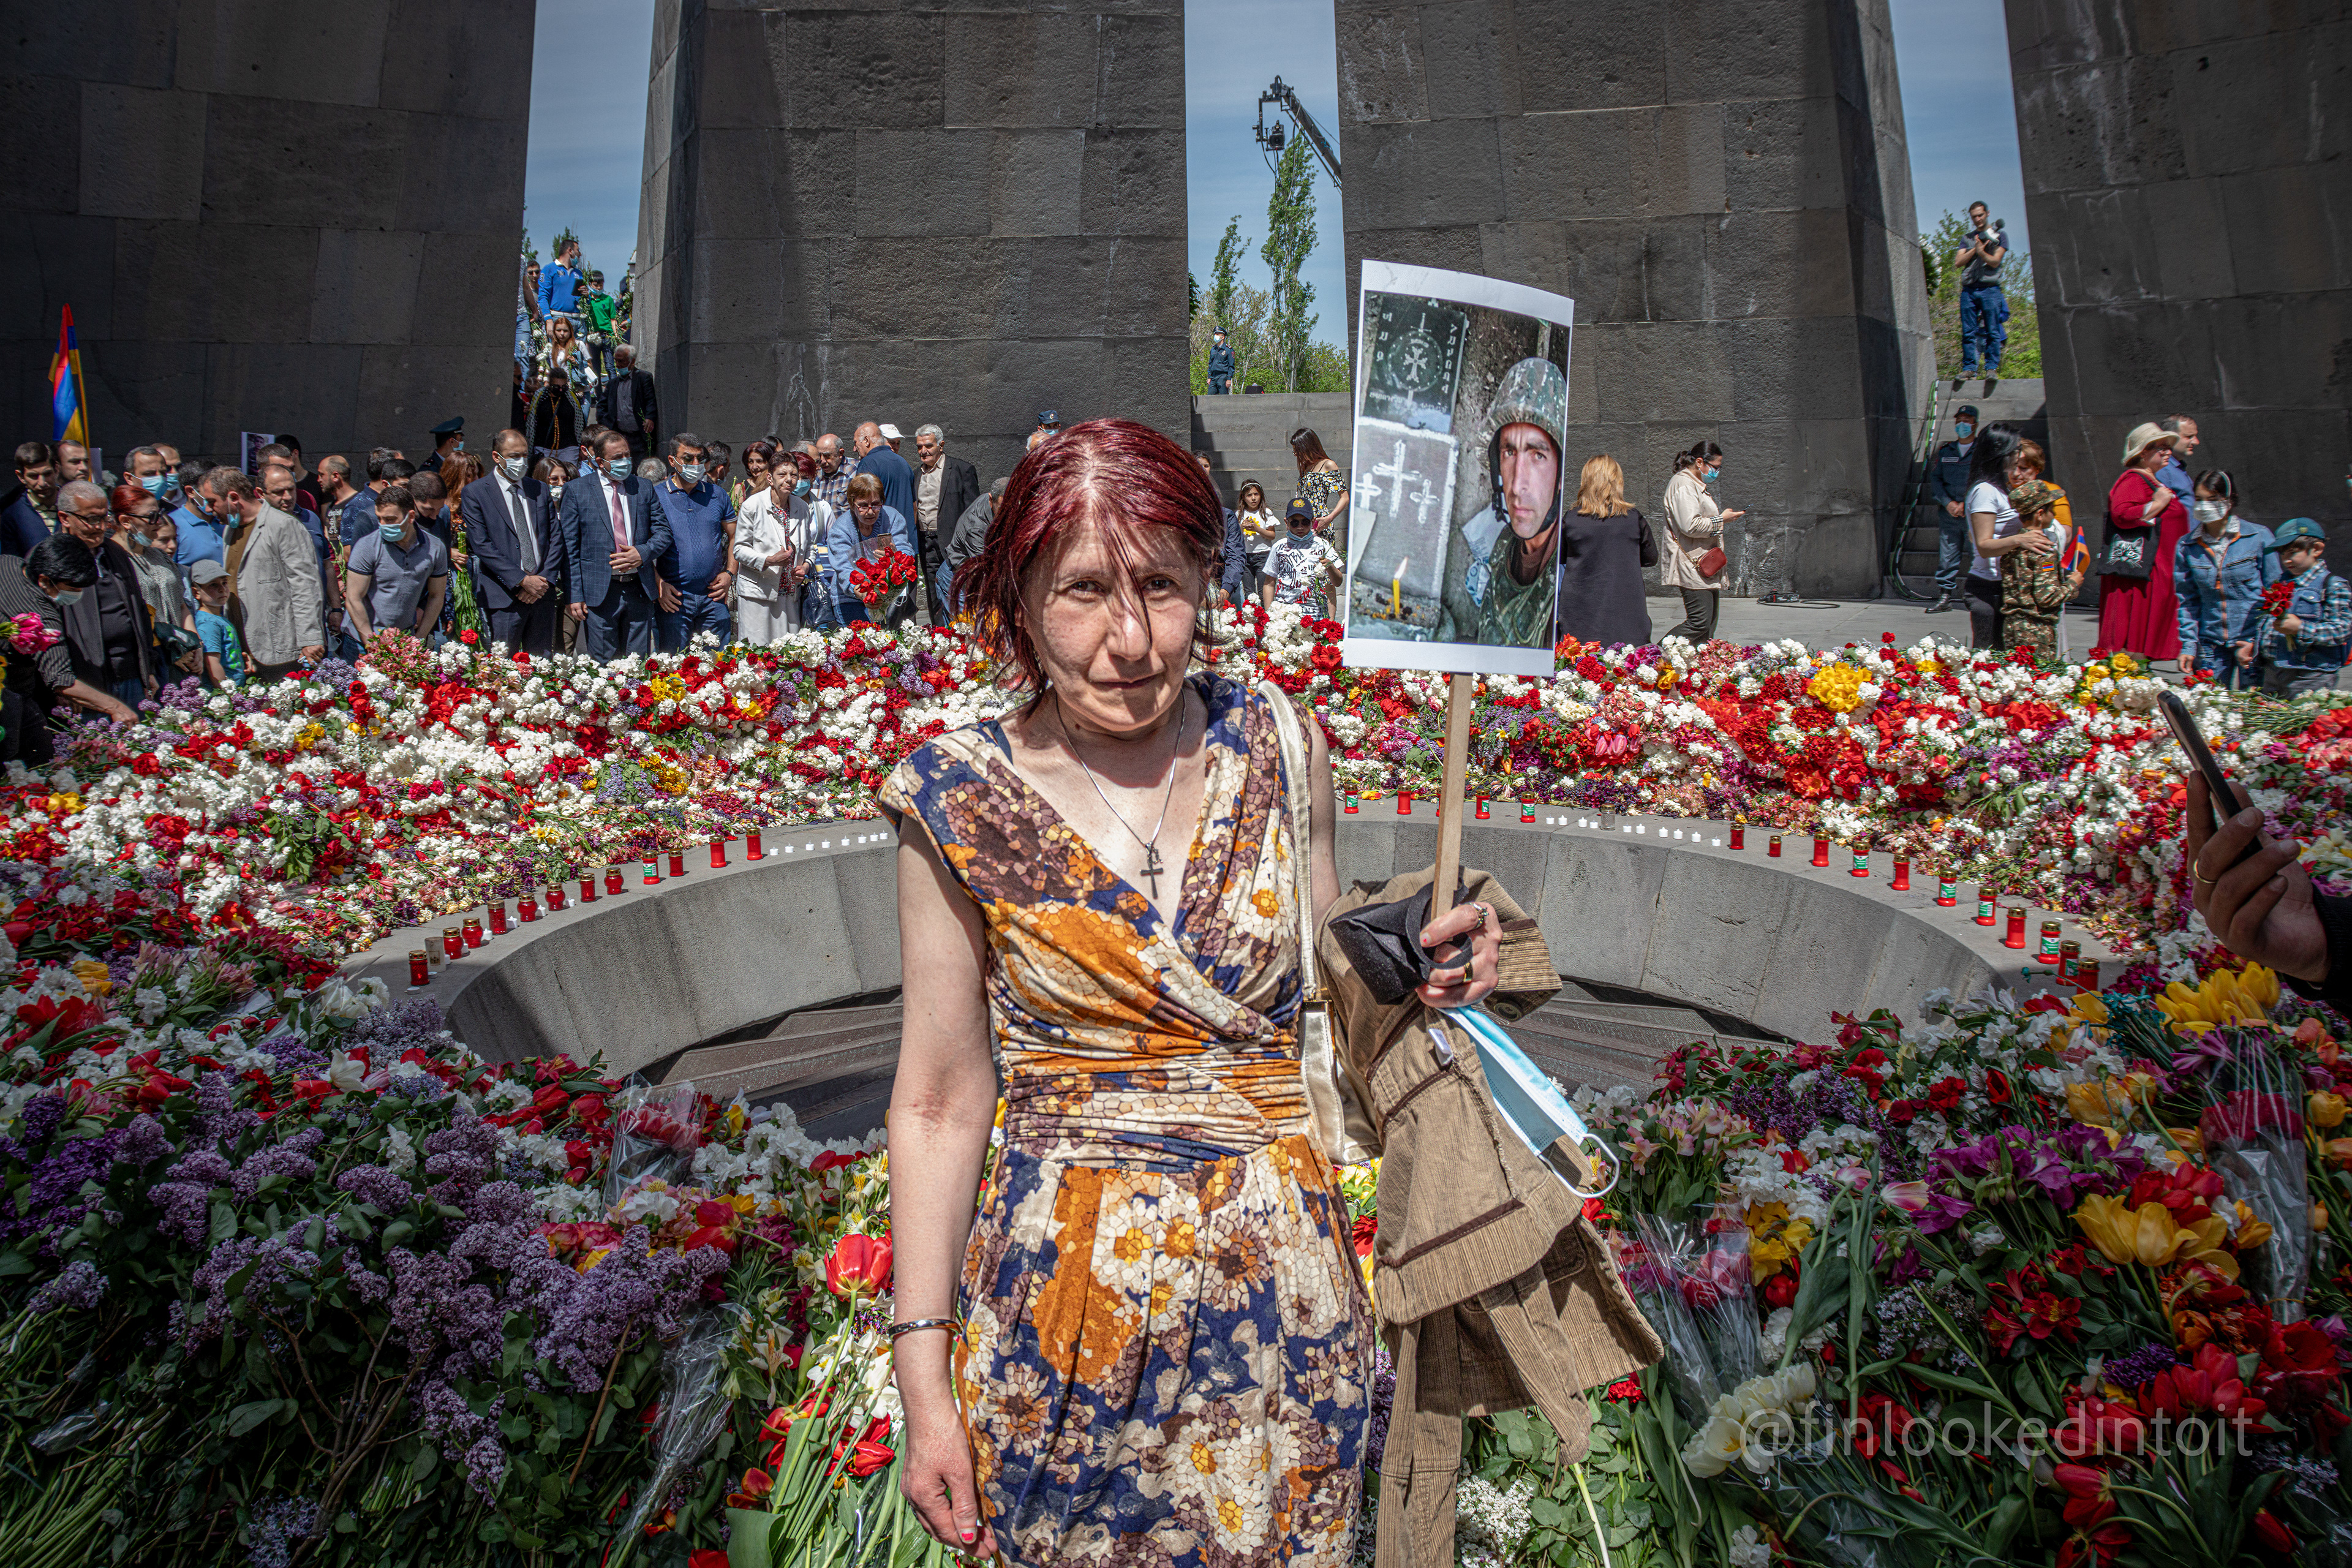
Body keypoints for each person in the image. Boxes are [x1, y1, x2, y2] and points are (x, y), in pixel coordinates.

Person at [881, 417, 1501, 1567]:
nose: (1129, 640)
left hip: (1282, 1305)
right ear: (1018, 597)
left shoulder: (1276, 738)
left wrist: (1428, 961)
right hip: (1061, 1317)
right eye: (1081, 592)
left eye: (1163, 586)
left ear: (1209, 580)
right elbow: (935, 1102)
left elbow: (1332, 982)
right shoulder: (952, 797)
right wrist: (924, 1373)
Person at [1, 538, 139, 742]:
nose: (79, 595)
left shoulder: (8, 563)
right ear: (45, 581)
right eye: (73, 589)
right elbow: (61, 680)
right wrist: (116, 706)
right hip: (8, 694)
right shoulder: (41, 620)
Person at [51, 481, 156, 710]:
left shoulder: (114, 552)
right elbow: (48, 630)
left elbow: (138, 610)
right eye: (91, 519)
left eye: (104, 517)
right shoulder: (51, 560)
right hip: (86, 683)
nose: (100, 527)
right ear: (65, 518)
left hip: (131, 677)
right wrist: (64, 684)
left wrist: (147, 668)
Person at [216, 467, 324, 679]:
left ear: (233, 498)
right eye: (279, 492)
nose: (288, 497)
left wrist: (310, 637)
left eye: (291, 490)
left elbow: (305, 585)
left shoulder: (285, 525)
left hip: (279, 647)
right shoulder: (231, 528)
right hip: (243, 643)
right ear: (260, 492)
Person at [460, 429, 562, 655]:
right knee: (504, 669)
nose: (521, 461)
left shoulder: (540, 489)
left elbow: (555, 537)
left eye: (525, 455)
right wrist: (521, 580)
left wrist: (541, 581)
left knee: (543, 666)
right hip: (504, 596)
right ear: (497, 457)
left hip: (542, 593)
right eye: (514, 456)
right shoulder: (476, 493)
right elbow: (481, 544)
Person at [562, 429, 660, 662]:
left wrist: (642, 552)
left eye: (627, 455)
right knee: (603, 667)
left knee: (638, 664)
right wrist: (574, 594)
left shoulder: (643, 487)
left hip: (638, 589)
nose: (625, 462)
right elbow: (570, 548)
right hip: (600, 592)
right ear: (600, 461)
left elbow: (663, 531)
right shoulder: (577, 491)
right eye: (617, 458)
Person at [2173, 469, 2274, 688]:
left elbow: (2276, 594)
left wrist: (2259, 638)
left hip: (2251, 642)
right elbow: (2187, 600)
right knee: (2212, 709)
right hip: (2210, 645)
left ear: (2229, 500)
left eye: (2212, 499)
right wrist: (2189, 645)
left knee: (2254, 709)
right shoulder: (2187, 545)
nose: (2204, 506)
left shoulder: (2258, 537)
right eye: (2199, 499)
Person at [2097, 422, 2190, 662]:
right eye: (2161, 447)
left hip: (2156, 572)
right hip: (2143, 576)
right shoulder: (2134, 480)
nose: (2168, 451)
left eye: (2169, 447)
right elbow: (2122, 513)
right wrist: (2158, 504)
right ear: (2143, 452)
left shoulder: (2151, 481)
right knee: (2133, 646)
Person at [647, 432, 736, 649]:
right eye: (688, 459)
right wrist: (659, 584)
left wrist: (729, 574)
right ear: (672, 461)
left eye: (700, 459)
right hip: (674, 599)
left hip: (713, 598)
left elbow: (736, 536)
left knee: (718, 668)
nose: (695, 464)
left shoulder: (718, 495)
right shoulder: (654, 496)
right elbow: (643, 546)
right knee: (673, 671)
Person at [1556, 454, 1654, 646]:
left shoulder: (1571, 519)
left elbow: (1559, 556)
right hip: (1627, 612)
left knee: (1580, 668)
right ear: (1617, 482)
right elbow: (1651, 558)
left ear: (1586, 482)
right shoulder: (1634, 518)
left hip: (1580, 614)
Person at [733, 450, 828, 643]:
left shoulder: (801, 507)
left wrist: (806, 566)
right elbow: (739, 550)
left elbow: (810, 547)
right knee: (758, 654)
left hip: (790, 594)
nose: (789, 480)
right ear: (770, 478)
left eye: (794, 475)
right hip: (758, 594)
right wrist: (769, 560)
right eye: (782, 475)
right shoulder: (753, 506)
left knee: (788, 655)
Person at [342, 484, 451, 646]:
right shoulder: (367, 546)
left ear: (411, 517)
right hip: (362, 639)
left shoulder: (435, 548)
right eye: (379, 518)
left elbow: (436, 596)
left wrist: (419, 639)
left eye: (390, 520)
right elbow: (353, 598)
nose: (383, 525)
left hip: (405, 638)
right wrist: (371, 643)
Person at [2252, 519, 2348, 696]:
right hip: (2274, 671)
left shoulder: (2333, 586)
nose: (2287, 560)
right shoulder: (2280, 583)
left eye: (2293, 553)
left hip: (2310, 676)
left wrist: (2300, 628)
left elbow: (2341, 630)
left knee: (2306, 723)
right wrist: (2254, 647)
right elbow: (2268, 623)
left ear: (2317, 549)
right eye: (2283, 555)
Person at [1662, 440, 1740, 644]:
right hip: (1692, 564)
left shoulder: (1694, 484)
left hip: (1704, 563)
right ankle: (1651, 658)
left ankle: (1696, 669)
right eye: (1715, 467)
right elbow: (1691, 525)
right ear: (1699, 462)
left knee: (1708, 624)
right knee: (1699, 622)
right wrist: (1722, 519)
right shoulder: (1684, 485)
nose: (1717, 472)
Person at [112, 483, 197, 669]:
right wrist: (171, 653)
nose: (159, 522)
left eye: (159, 515)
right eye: (152, 517)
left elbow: (181, 605)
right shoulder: (112, 561)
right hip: (148, 661)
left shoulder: (159, 556)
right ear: (126, 521)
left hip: (182, 655)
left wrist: (195, 644)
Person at [824, 472, 916, 627]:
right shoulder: (840, 529)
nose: (871, 511)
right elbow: (843, 568)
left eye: (876, 504)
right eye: (863, 505)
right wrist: (860, 591)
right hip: (850, 598)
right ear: (853, 504)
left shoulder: (893, 518)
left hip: (887, 595)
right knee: (858, 645)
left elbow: (907, 551)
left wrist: (896, 556)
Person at [1997, 480, 2073, 660]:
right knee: (2037, 682)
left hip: (2012, 626)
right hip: (2036, 630)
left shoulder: (2011, 546)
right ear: (2040, 514)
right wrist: (2073, 585)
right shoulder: (2043, 550)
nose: (2054, 514)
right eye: (2051, 510)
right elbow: (2047, 597)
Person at [912, 424, 979, 620]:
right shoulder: (915, 475)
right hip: (926, 543)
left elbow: (972, 513)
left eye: (928, 446)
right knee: (933, 595)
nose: (923, 451)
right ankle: (939, 637)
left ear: (941, 445)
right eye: (919, 447)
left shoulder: (962, 470)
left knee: (958, 592)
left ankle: (961, 639)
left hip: (954, 545)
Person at [1925, 404, 1978, 612]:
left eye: (1967, 420)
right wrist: (1948, 503)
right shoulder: (1946, 451)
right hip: (1950, 514)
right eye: (1959, 420)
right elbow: (1936, 480)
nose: (1962, 424)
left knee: (1978, 554)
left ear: (1975, 424)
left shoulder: (1980, 452)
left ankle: (1976, 595)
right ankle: (1945, 596)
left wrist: (1968, 502)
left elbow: (1982, 479)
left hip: (1974, 513)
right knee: (1947, 556)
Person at [529, 315, 599, 459]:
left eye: (565, 331)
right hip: (558, 391)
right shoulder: (551, 348)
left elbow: (590, 366)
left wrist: (577, 363)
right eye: (559, 330)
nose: (562, 334)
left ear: (571, 331)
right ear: (554, 332)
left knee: (581, 422)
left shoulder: (578, 345)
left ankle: (581, 455)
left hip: (578, 391)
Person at [1261, 497, 1343, 618]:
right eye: (1294, 523)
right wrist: (1269, 616)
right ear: (1286, 522)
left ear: (1313, 521)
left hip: (1317, 617)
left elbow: (1336, 583)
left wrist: (1331, 620)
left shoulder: (1323, 545)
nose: (1300, 527)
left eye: (1305, 522)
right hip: (1287, 617)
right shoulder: (1279, 547)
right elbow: (1269, 583)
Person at [1953, 200, 2008, 379]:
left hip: (1990, 289)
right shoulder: (1967, 238)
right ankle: (1970, 368)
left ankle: (1991, 368)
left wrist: (1983, 252)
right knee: (1968, 332)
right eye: (1974, 217)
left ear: (1988, 214)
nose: (1977, 219)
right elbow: (1958, 262)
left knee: (1992, 331)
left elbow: (1995, 261)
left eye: (1980, 215)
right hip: (1969, 290)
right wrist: (1975, 250)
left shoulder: (2001, 235)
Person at [940, 477, 1006, 617]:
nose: (1007, 514)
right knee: (968, 632)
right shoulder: (975, 526)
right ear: (990, 500)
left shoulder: (995, 501)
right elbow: (985, 571)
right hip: (957, 578)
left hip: (976, 574)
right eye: (1002, 508)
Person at [1193, 453, 1251, 607]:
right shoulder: (1185, 517)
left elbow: (1236, 555)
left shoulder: (1227, 517)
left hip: (1225, 585)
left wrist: (1226, 589)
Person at [186, 559, 245, 688]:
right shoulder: (208, 623)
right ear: (196, 592)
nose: (222, 589)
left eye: (224, 583)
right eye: (213, 585)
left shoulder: (218, 618)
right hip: (223, 695)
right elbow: (212, 663)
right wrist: (226, 695)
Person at [1289, 428, 1349, 549]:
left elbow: (1345, 498)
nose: (1295, 454)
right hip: (1303, 520)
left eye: (1297, 451)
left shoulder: (1328, 465)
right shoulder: (1306, 467)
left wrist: (1329, 518)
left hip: (1320, 521)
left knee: (1322, 562)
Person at [600, 342, 659, 459]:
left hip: (640, 436)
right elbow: (602, 406)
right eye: (615, 361)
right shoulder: (613, 384)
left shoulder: (643, 378)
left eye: (621, 361)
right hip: (620, 435)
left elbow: (650, 400)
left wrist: (650, 418)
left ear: (632, 362)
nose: (617, 365)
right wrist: (607, 425)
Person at [852, 421, 916, 526]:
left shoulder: (868, 463)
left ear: (867, 441)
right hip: (907, 537)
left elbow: (863, 509)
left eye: (856, 443)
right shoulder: (904, 464)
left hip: (885, 537)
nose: (854, 449)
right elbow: (914, 508)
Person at [5, 441, 56, 556]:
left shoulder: (74, 505)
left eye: (47, 474)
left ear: (57, 470)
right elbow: (10, 563)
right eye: (34, 476)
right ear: (21, 477)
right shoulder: (12, 516)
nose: (42, 483)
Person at [1234, 480, 1278, 584]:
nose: (1253, 498)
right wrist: (1242, 527)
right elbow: (1236, 537)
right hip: (1246, 556)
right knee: (1249, 590)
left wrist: (1257, 529)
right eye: (1249, 495)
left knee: (1264, 587)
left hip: (1263, 555)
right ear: (1243, 498)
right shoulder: (1239, 514)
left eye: (1256, 494)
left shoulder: (1266, 512)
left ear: (1261, 495)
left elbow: (1272, 535)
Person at [2154, 415, 2199, 508]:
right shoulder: (2163, 470)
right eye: (2189, 436)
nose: (2196, 442)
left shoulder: (2177, 467)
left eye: (2195, 436)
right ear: (2170, 438)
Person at [537, 236, 582, 323]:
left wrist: (586, 295)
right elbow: (543, 296)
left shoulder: (579, 273)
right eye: (578, 250)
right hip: (558, 319)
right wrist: (548, 319)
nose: (580, 254)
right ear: (570, 251)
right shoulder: (549, 269)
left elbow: (584, 300)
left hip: (578, 320)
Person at [812, 432, 850, 512]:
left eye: (827, 456)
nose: (822, 461)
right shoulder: (815, 474)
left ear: (840, 453)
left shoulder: (855, 471)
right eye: (819, 455)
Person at [1207, 327, 1235, 394]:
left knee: (1223, 399)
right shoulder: (1213, 349)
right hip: (1213, 377)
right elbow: (1210, 364)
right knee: (1210, 398)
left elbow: (1231, 365)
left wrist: (1229, 379)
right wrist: (1209, 377)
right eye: (1215, 334)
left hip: (1223, 377)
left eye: (1217, 334)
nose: (1215, 336)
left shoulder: (1228, 349)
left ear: (1223, 337)